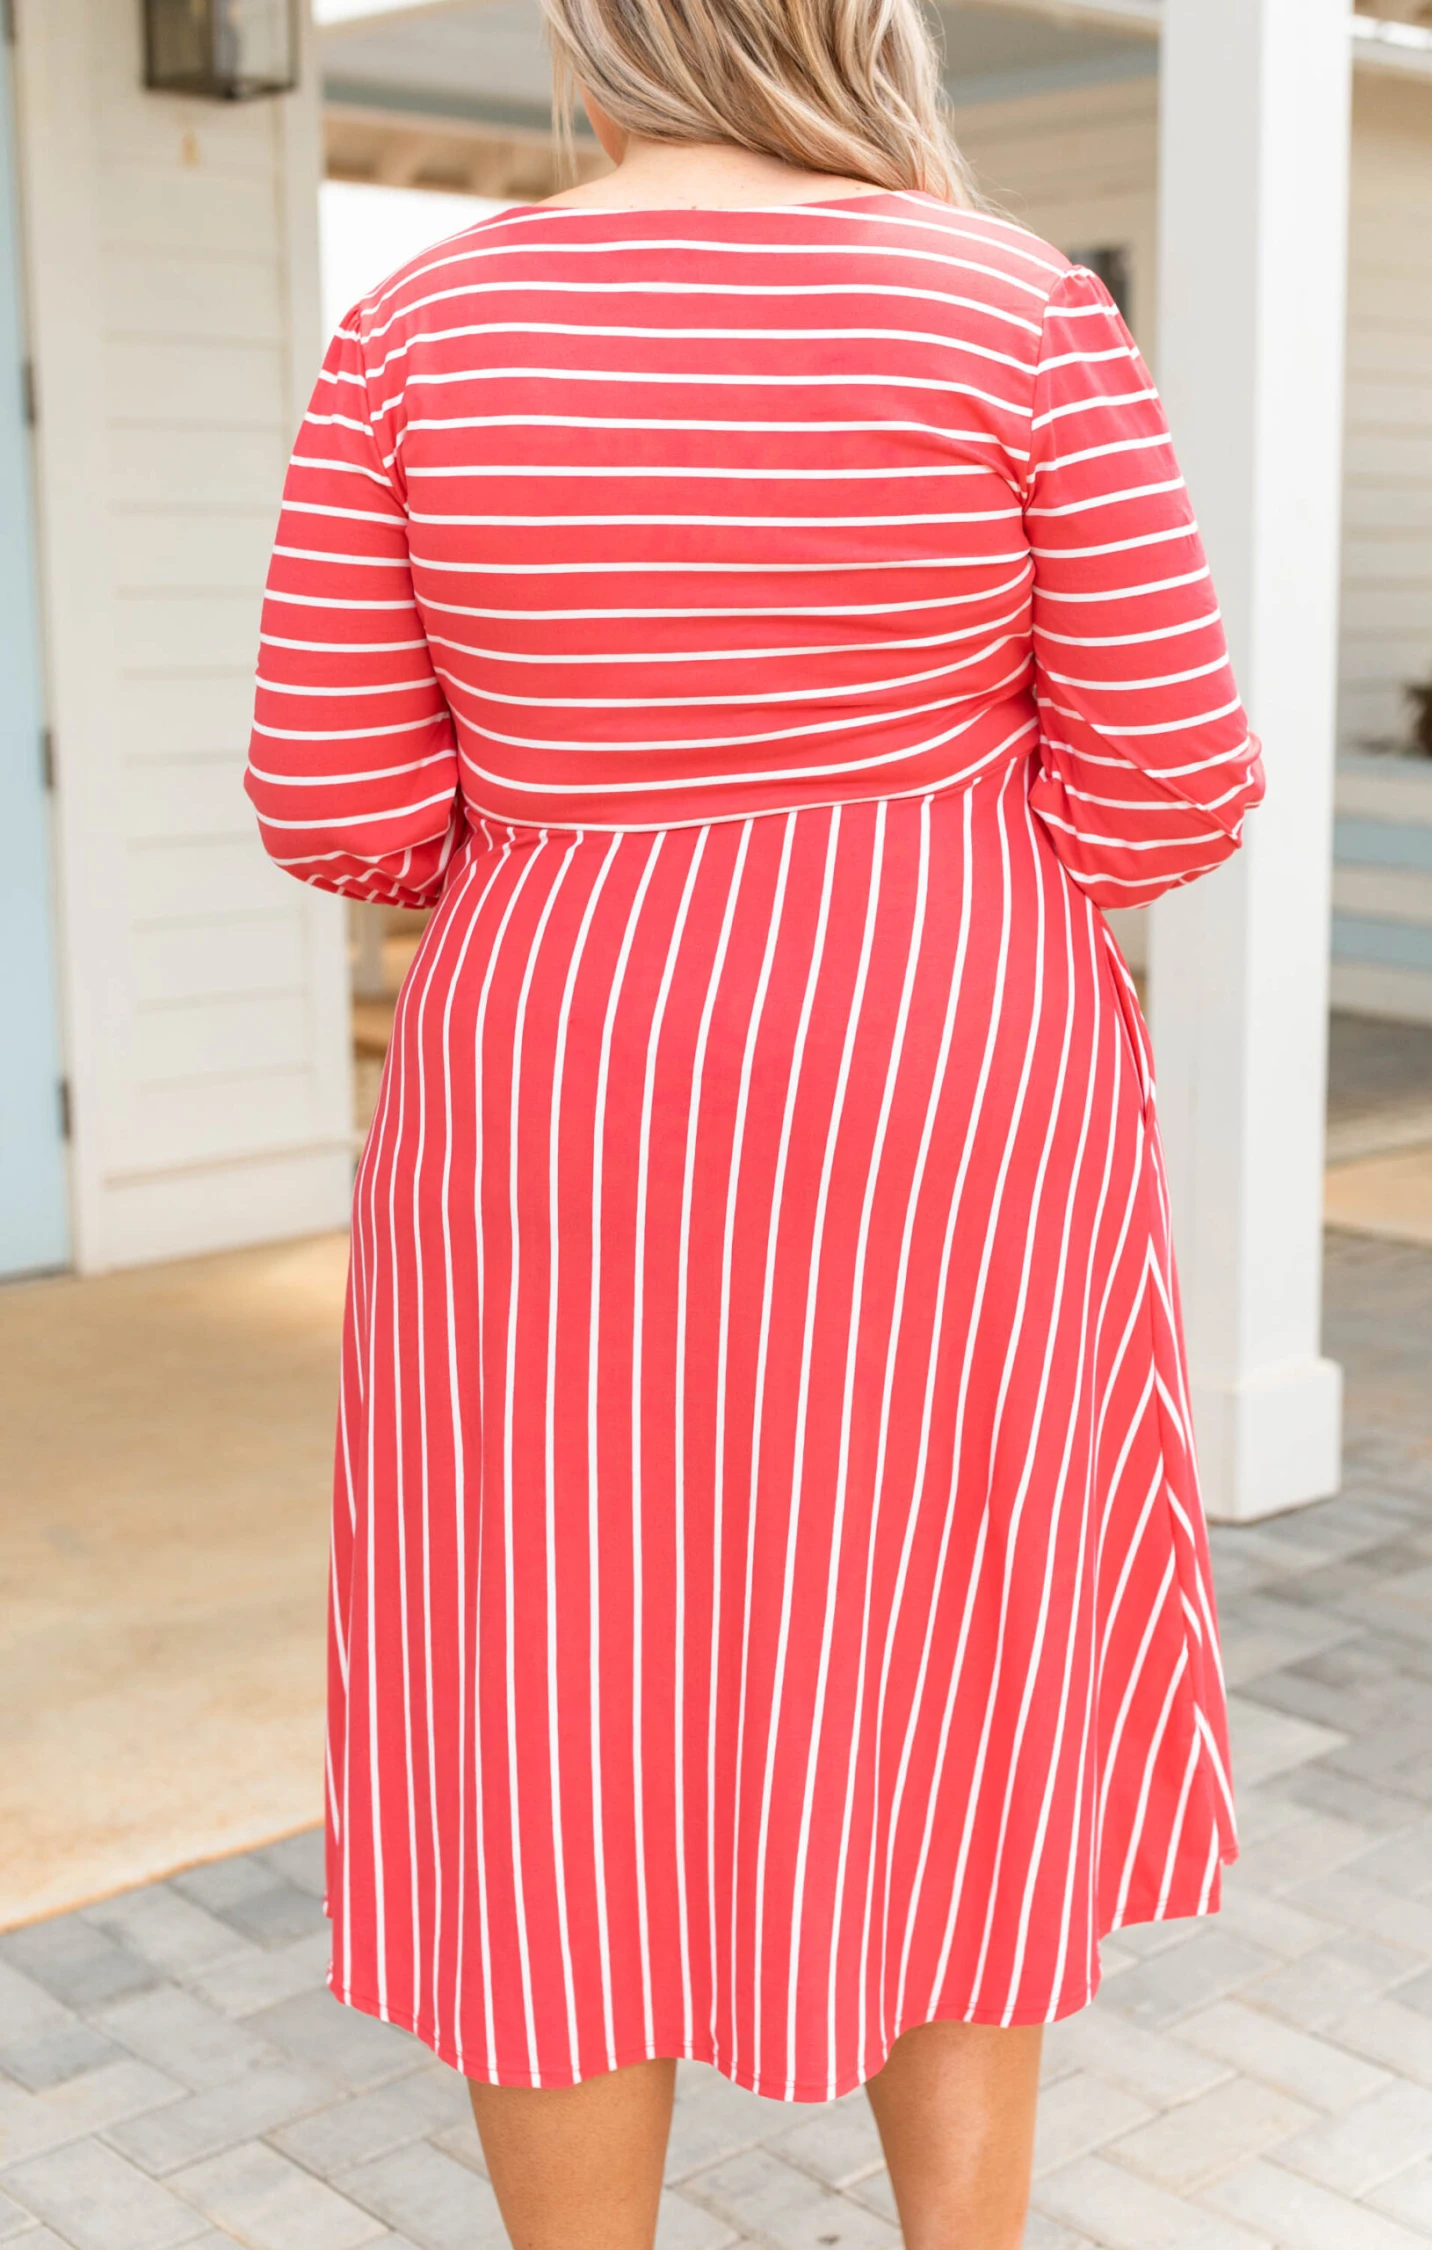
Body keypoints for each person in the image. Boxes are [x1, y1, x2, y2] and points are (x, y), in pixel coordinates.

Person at [245, 2, 1263, 2241]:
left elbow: (333, 798)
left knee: (552, 1681)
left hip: (557, 1079)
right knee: (948, 1658)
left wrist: (592, 843)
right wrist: (919, 855)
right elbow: (1173, 779)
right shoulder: (1015, 309)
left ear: (593, 28)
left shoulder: (421, 327)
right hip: (950, 1072)